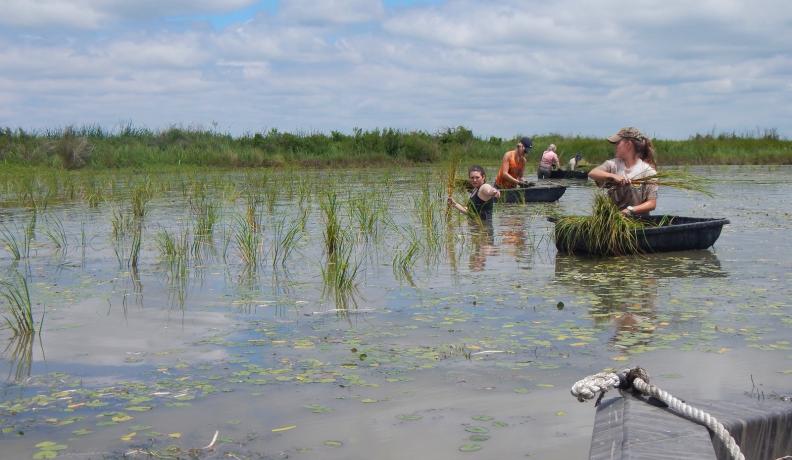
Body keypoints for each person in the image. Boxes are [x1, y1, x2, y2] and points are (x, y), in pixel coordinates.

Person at [588, 127, 658, 216]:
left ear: (628, 144)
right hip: (613, 219)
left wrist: (629, 210)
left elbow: (652, 204)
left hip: (639, 221)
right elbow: (592, 173)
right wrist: (613, 176)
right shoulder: (612, 165)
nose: (615, 147)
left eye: (617, 143)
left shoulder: (648, 172)